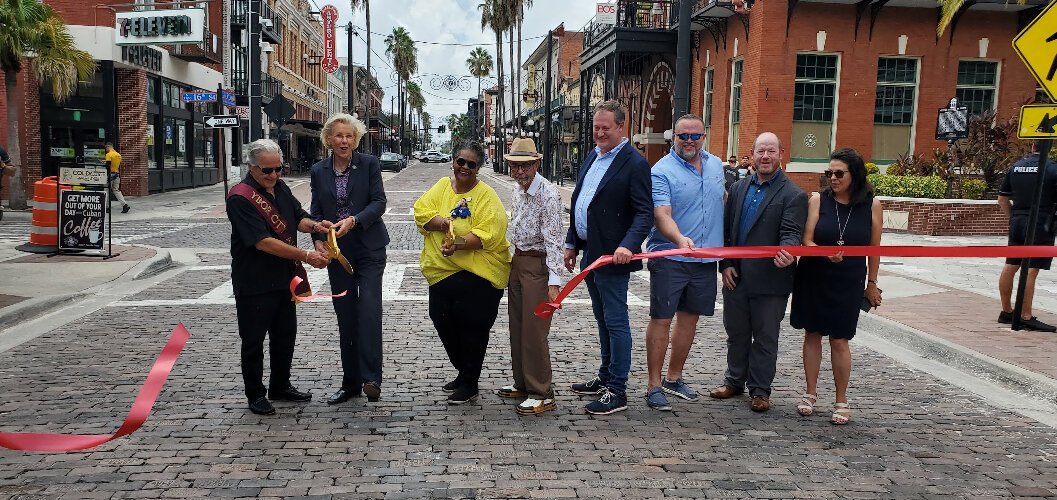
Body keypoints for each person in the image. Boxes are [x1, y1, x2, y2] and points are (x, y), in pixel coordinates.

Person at [226, 139, 331, 416]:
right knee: (253, 341)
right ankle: (256, 394)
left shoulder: (280, 187)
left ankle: (280, 385)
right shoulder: (240, 196)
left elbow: (297, 217)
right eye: (267, 171)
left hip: (285, 278)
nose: (273, 175)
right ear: (251, 167)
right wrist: (307, 256)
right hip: (255, 280)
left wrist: (316, 226)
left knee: (285, 336)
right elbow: (262, 242)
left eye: (278, 169)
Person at [564, 100, 654, 415]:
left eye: (606, 128)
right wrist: (571, 241)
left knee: (616, 323)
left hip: (614, 257)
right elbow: (581, 201)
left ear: (621, 127)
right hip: (590, 251)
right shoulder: (593, 155)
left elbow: (645, 213)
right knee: (602, 320)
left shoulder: (635, 163)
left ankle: (617, 389)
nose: (599, 133)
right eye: (596, 128)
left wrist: (629, 245)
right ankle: (605, 376)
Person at [710, 132, 807, 412]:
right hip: (736, 277)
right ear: (752, 154)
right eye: (761, 151)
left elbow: (791, 232)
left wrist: (787, 252)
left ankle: (760, 390)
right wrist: (725, 264)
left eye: (771, 152)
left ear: (781, 154)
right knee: (736, 333)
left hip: (771, 279)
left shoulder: (793, 194)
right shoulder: (739, 189)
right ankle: (734, 381)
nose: (765, 157)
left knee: (765, 337)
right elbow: (727, 232)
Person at [414, 140, 511, 405]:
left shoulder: (486, 196)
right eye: (461, 161)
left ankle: (470, 381)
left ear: (478, 168)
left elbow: (488, 232)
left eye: (471, 164)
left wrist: (454, 243)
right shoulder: (443, 187)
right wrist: (444, 223)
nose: (464, 167)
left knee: (473, 326)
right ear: (453, 162)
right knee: (441, 318)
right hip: (442, 272)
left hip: (479, 272)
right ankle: (464, 370)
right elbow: (422, 212)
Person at [790, 148, 882, 425]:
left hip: (849, 279)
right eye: (829, 173)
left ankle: (841, 399)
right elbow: (806, 240)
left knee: (840, 339)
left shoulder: (872, 205)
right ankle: (810, 393)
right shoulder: (818, 200)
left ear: (854, 175)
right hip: (815, 274)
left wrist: (872, 284)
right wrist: (822, 252)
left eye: (839, 173)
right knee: (812, 333)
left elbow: (874, 249)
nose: (832, 178)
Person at [643, 114, 725, 411]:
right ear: (673, 137)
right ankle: (653, 385)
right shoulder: (661, 171)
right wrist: (679, 239)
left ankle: (673, 378)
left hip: (705, 258)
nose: (689, 141)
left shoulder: (716, 165)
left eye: (695, 136)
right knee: (662, 318)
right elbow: (661, 213)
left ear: (704, 136)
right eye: (683, 136)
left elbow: (722, 202)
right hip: (670, 256)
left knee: (690, 318)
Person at [310, 113, 390, 405]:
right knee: (346, 316)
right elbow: (316, 211)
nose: (344, 141)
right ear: (329, 139)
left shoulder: (368, 164)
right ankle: (350, 383)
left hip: (369, 248)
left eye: (349, 136)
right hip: (337, 253)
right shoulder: (319, 170)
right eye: (339, 136)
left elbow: (379, 202)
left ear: (356, 140)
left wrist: (354, 220)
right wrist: (319, 239)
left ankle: (371, 379)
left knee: (368, 311)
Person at [499, 137, 565, 416]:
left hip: (538, 266)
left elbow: (554, 240)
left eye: (525, 166)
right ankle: (523, 383)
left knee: (535, 331)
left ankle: (542, 391)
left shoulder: (549, 194)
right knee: (518, 327)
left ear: (536, 164)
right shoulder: (517, 190)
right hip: (519, 261)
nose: (520, 171)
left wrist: (554, 280)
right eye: (515, 166)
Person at [997, 142, 1057, 332]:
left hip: (1017, 221)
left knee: (1011, 265)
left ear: (1032, 146)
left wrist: (1012, 218)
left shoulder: (1015, 167)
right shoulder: (1053, 168)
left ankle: (1007, 311)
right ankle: (1025, 315)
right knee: (1032, 269)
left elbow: (1002, 199)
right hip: (1040, 222)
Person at [104, 143, 131, 214]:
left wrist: (104, 163)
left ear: (108, 147)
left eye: (106, 148)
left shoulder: (108, 155)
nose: (106, 150)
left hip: (110, 174)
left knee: (106, 190)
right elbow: (115, 164)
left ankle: (107, 207)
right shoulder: (118, 155)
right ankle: (124, 204)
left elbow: (108, 165)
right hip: (116, 174)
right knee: (116, 190)